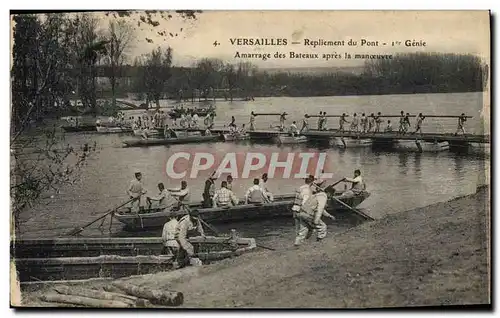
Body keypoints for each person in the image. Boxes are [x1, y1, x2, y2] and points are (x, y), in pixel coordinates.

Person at [294, 182, 335, 246]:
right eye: (332, 195)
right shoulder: (323, 196)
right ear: (329, 193)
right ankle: (320, 242)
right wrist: (316, 220)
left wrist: (329, 215)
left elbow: (322, 210)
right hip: (309, 215)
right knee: (323, 227)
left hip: (301, 213)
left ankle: (297, 245)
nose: (331, 197)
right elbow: (320, 209)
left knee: (303, 230)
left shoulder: (316, 195)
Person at [292, 175, 314, 244]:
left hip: (295, 210)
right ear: (312, 182)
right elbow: (305, 203)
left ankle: (297, 245)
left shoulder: (300, 188)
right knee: (304, 229)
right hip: (302, 211)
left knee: (298, 230)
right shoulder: (307, 190)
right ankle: (300, 246)